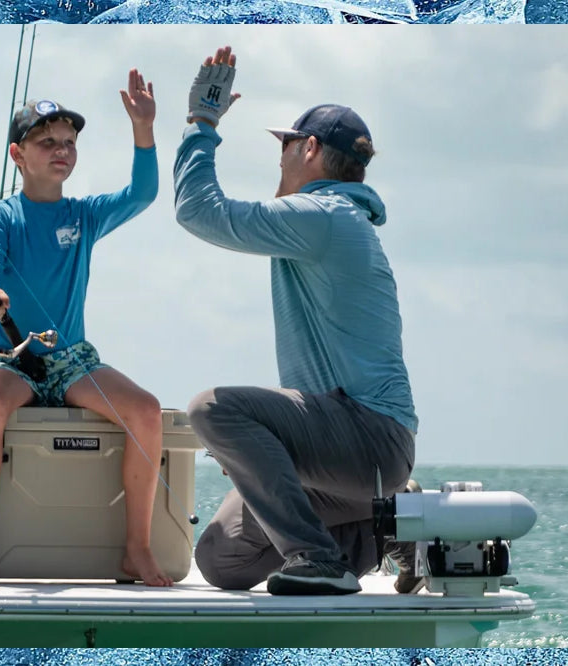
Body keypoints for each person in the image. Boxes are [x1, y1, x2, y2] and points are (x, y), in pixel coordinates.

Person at [173, 46, 419, 596]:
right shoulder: (331, 218)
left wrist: (202, 124)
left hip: (366, 438)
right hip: (344, 458)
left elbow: (198, 211)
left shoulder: (321, 215)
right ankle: (394, 526)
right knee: (222, 562)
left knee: (213, 408)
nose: (278, 158)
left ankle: (317, 557)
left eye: (284, 145)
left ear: (309, 148)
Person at [0, 69, 171, 587]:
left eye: (70, 142)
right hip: (12, 361)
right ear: (18, 155)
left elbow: (142, 193)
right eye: (47, 141)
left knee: (146, 411)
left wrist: (143, 129)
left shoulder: (87, 214)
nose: (62, 150)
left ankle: (136, 550)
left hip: (73, 363)